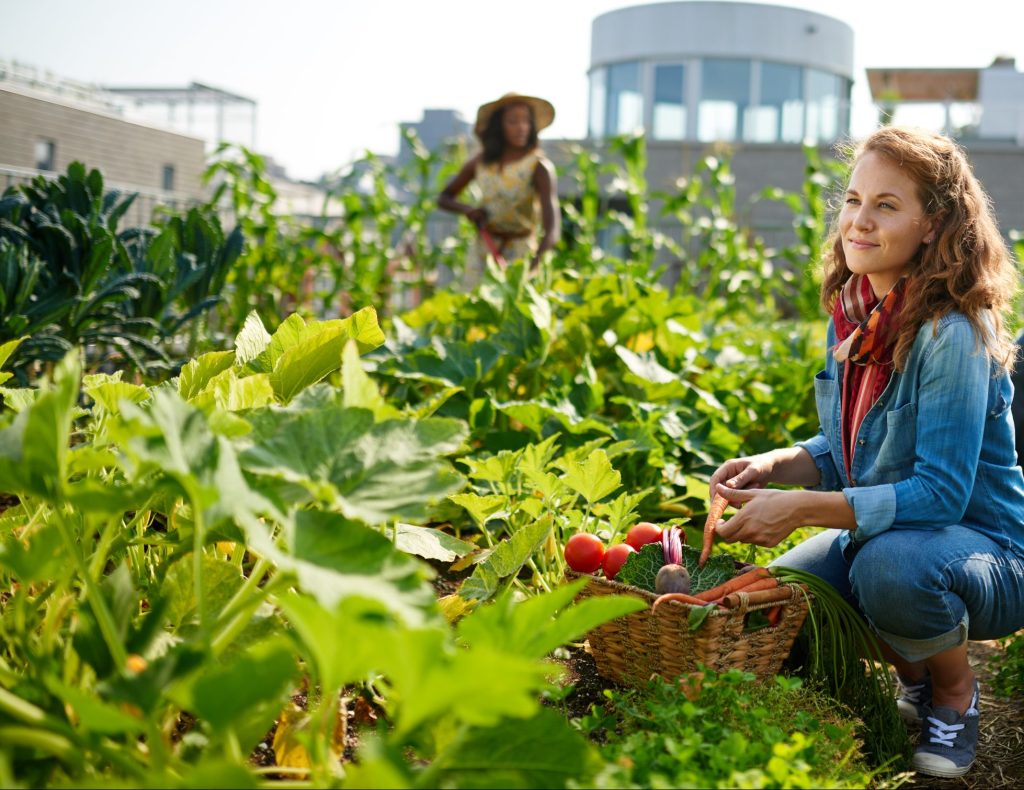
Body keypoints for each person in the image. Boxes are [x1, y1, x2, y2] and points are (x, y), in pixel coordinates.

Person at [707, 126, 1024, 779]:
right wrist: (775, 465)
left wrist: (801, 510)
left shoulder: (953, 332)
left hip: (986, 551)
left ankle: (956, 692)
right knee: (779, 602)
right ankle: (916, 673)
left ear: (933, 223)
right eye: (854, 200)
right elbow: (846, 444)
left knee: (886, 568)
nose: (859, 220)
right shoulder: (855, 315)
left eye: (886, 205)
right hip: (896, 536)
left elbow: (941, 496)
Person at [438, 92, 561, 288]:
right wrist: (469, 211)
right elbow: (444, 198)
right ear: (498, 127)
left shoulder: (538, 167)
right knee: (475, 309)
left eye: (526, 122)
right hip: (484, 249)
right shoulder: (480, 163)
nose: (522, 127)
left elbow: (552, 231)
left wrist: (534, 263)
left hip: (521, 254)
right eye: (513, 121)